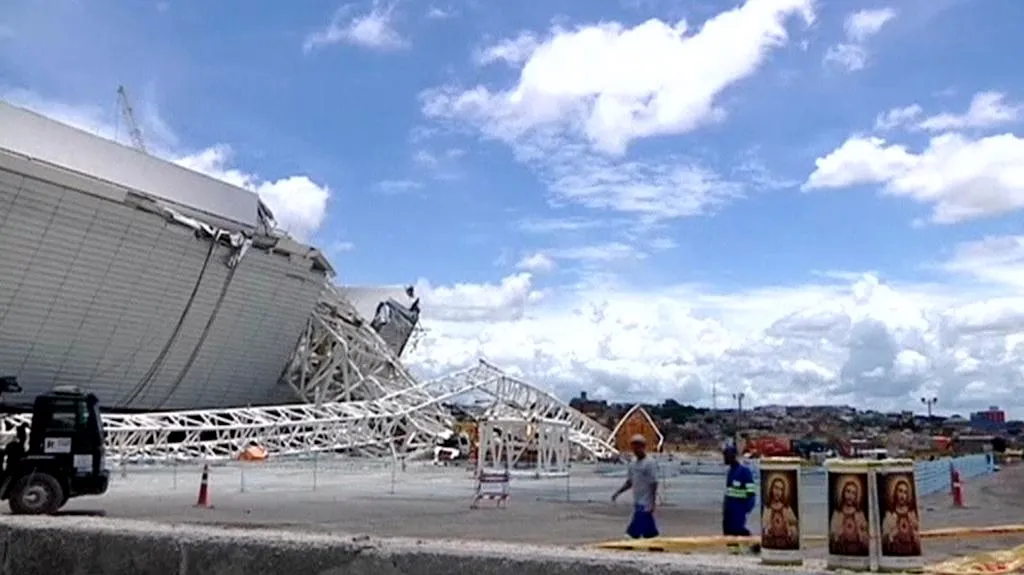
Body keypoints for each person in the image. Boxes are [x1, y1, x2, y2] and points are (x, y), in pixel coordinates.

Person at [611, 434, 659, 539]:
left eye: (638, 447)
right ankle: (652, 538)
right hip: (637, 499)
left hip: (646, 501)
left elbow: (653, 483)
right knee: (648, 528)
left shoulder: (649, 463)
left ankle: (631, 536)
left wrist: (652, 502)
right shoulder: (633, 463)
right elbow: (630, 482)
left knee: (637, 523)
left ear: (643, 447)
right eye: (634, 447)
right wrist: (618, 493)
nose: (635, 450)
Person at [722, 445, 758, 553]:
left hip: (739, 509)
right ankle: (734, 552)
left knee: (737, 529)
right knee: (728, 531)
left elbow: (751, 492)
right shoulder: (730, 472)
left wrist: (747, 507)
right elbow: (728, 492)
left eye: (726, 456)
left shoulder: (744, 472)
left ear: (732, 456)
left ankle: (755, 545)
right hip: (729, 510)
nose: (724, 459)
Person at [829, 477, 870, 556]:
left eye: (853, 493)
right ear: (843, 492)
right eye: (848, 491)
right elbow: (831, 538)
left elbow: (866, 540)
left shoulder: (860, 514)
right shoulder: (837, 514)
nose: (850, 496)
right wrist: (837, 534)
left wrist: (862, 533)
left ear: (856, 496)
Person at [881, 477, 921, 556]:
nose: (902, 495)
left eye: (905, 492)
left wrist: (915, 533)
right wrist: (891, 536)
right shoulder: (889, 516)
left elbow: (919, 540)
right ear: (895, 492)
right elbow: (884, 541)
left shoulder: (911, 514)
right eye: (900, 491)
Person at [761, 476, 799, 549]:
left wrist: (790, 529)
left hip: (786, 543)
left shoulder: (786, 508)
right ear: (771, 489)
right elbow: (763, 528)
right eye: (776, 488)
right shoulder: (767, 508)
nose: (778, 492)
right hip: (771, 543)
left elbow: (795, 526)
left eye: (780, 489)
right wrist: (767, 529)